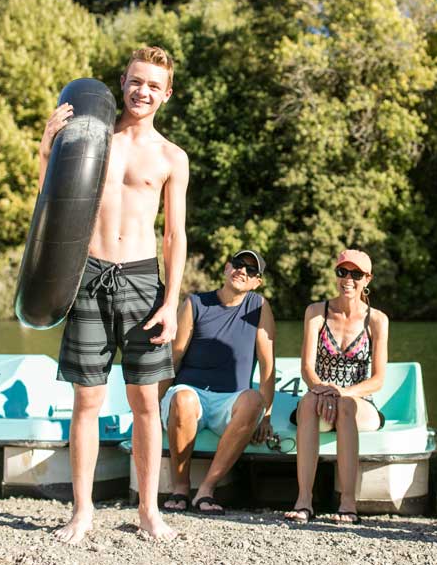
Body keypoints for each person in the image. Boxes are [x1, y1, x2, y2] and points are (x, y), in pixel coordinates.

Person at [40, 46, 189, 543]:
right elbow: (53, 205)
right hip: (91, 274)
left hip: (145, 282)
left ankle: (149, 510)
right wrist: (46, 154)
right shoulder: (94, 140)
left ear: (167, 94)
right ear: (122, 81)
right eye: (136, 81)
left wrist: (171, 303)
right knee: (87, 399)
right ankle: (82, 512)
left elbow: (175, 236)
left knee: (146, 402)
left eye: (154, 85)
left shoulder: (172, 157)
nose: (142, 91)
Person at [159, 249, 276, 515]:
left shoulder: (259, 307)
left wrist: (266, 417)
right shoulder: (195, 303)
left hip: (230, 401)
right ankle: (180, 486)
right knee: (183, 398)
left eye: (251, 271)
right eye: (238, 264)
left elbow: (268, 367)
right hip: (190, 393)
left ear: (257, 282)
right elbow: (173, 358)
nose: (242, 271)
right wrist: (154, 404)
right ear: (226, 268)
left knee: (253, 400)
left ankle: (207, 489)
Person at [284, 249, 389, 525]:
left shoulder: (377, 320)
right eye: (343, 272)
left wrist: (342, 392)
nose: (348, 280)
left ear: (368, 279)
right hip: (319, 395)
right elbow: (307, 368)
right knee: (306, 402)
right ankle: (304, 500)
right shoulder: (316, 312)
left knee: (345, 405)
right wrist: (321, 389)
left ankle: (347, 502)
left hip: (357, 401)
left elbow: (378, 379)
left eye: (356, 274)